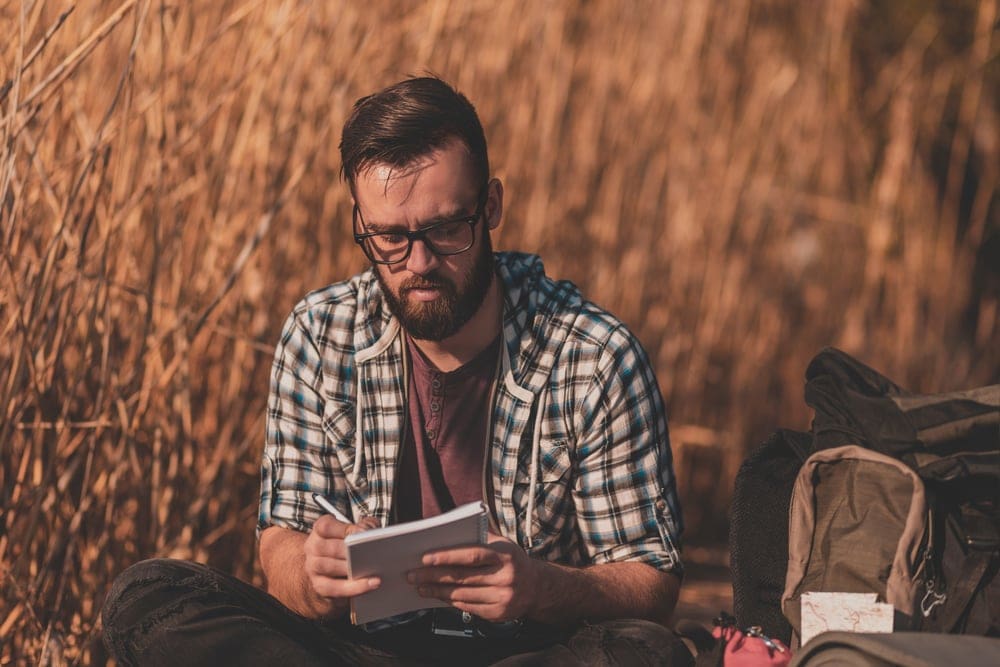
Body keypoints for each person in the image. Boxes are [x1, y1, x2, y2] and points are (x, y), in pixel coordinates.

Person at [102, 76, 689, 666]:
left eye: (444, 230)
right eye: (388, 237)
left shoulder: (595, 355)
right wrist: (313, 574)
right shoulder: (318, 334)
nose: (419, 262)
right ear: (360, 222)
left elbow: (653, 585)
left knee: (651, 652)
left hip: (523, 653)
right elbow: (281, 544)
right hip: (362, 652)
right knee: (147, 600)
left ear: (490, 206)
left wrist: (539, 586)